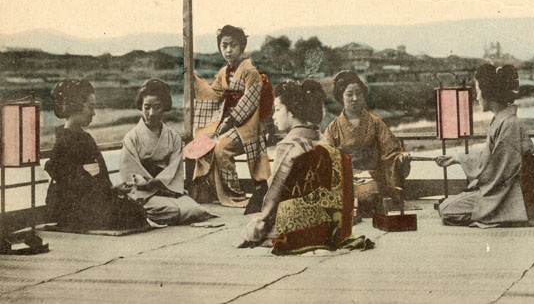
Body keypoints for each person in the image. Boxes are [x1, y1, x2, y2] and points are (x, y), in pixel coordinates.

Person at [235, 79, 372, 254]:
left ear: (292, 112)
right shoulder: (320, 139)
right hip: (331, 225)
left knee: (253, 227)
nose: (274, 116)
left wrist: (256, 229)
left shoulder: (289, 145)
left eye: (278, 110)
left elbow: (274, 194)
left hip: (297, 226)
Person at [435, 64, 534, 227]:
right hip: (502, 188)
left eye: (478, 91)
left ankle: (508, 214)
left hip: (510, 193)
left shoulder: (509, 124)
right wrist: (456, 158)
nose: (477, 97)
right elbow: (490, 159)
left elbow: (498, 169)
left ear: (489, 94)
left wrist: (464, 164)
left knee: (447, 210)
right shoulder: (503, 120)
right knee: (446, 206)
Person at [44, 79, 148, 231]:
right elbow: (75, 187)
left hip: (88, 204)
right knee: (134, 213)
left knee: (136, 211)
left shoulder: (81, 137)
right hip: (74, 209)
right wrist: (109, 192)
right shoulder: (65, 142)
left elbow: (89, 183)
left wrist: (114, 190)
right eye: (91, 107)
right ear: (76, 106)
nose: (93, 113)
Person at [192, 25, 271, 208]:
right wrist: (194, 80)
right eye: (224, 45)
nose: (228, 50)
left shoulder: (250, 71)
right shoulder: (224, 72)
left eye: (233, 45)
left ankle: (236, 194)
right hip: (231, 123)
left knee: (222, 148)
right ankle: (214, 190)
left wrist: (230, 121)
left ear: (241, 46)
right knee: (204, 144)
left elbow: (249, 102)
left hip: (248, 123)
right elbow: (213, 93)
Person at [119, 79, 212, 225]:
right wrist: (148, 183)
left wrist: (160, 182)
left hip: (167, 188)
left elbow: (174, 167)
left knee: (196, 209)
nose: (151, 113)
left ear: (164, 107)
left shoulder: (173, 137)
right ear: (141, 106)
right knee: (168, 209)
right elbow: (129, 169)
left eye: (157, 107)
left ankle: (161, 214)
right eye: (146, 107)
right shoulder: (131, 137)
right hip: (144, 192)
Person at [325, 70, 409, 216]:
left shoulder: (375, 122)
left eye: (359, 93)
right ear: (341, 97)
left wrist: (400, 158)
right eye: (349, 94)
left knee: (370, 192)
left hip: (373, 177)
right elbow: (327, 158)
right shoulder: (333, 127)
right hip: (345, 179)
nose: (355, 98)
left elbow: (391, 151)